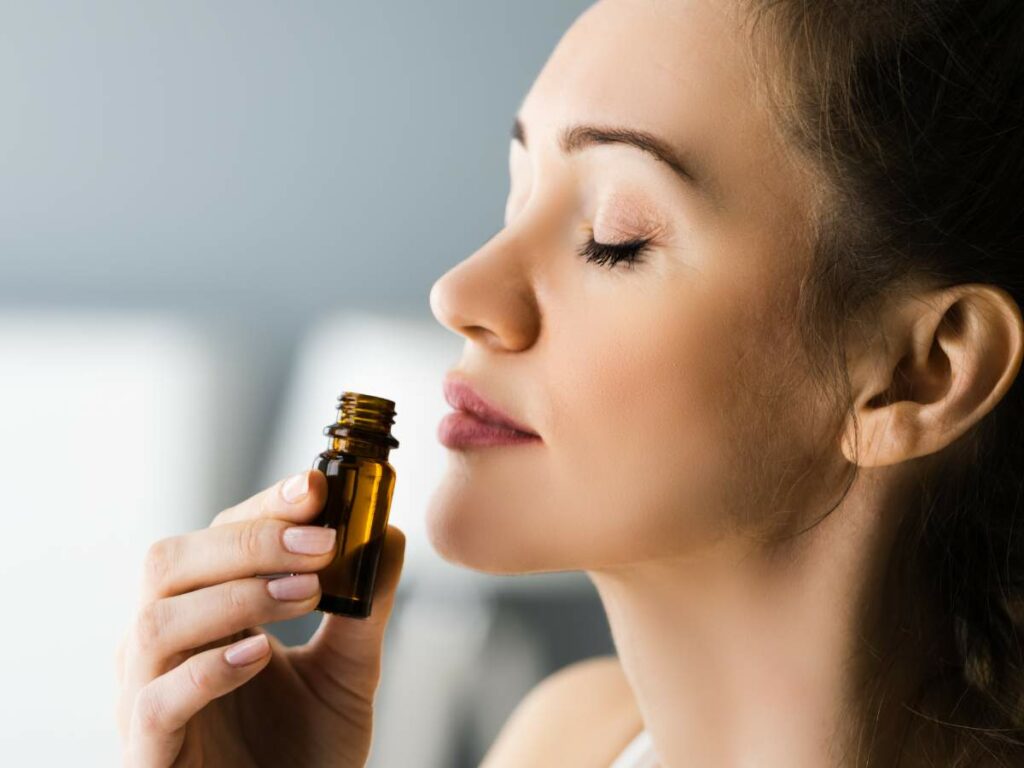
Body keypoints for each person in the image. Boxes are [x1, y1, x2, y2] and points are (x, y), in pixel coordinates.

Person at [115, 0, 1024, 765]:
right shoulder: (564, 741)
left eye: (614, 237)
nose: (458, 292)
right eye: (517, 197)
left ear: (922, 372)